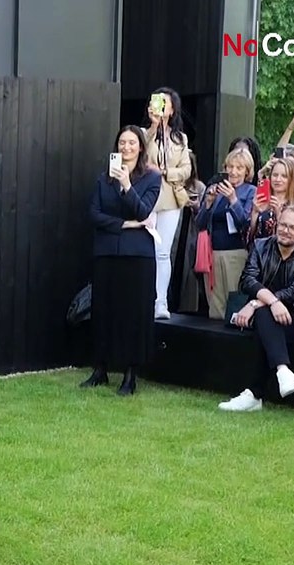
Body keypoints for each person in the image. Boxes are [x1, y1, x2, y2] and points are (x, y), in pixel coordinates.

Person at [218, 205, 294, 411]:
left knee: (263, 316)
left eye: (292, 228)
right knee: (265, 317)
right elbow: (247, 280)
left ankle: (254, 394)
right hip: (266, 315)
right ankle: (282, 371)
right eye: (282, 224)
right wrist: (272, 302)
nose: (285, 230)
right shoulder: (260, 245)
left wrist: (256, 302)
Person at [82, 125, 163, 395]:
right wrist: (124, 225)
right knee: (104, 310)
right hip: (107, 252)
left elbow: (144, 211)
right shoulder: (103, 179)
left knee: (133, 314)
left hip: (137, 256)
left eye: (131, 143)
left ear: (140, 147)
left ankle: (130, 375)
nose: (126, 148)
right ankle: (100, 369)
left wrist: (127, 186)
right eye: (122, 143)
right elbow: (94, 214)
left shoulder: (151, 178)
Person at [144, 87, 193, 319]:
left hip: (170, 199)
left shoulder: (180, 138)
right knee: (145, 250)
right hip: (146, 196)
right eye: (157, 102)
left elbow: (186, 169)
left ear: (173, 109)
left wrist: (164, 171)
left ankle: (160, 301)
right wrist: (154, 126)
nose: (161, 107)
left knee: (162, 252)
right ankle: (143, 297)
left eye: (166, 103)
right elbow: (139, 154)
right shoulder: (145, 132)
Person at [195, 149, 257, 319]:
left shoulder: (250, 191)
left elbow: (245, 225)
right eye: (230, 166)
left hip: (236, 254)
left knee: (235, 301)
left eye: (239, 167)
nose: (233, 171)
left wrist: (233, 200)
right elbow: (199, 224)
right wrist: (208, 203)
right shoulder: (216, 189)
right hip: (213, 253)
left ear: (247, 171)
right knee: (215, 304)